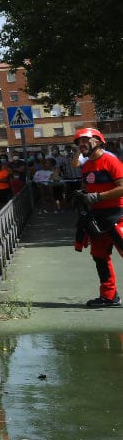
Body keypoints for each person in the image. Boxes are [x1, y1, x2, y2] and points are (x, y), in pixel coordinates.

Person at [72, 128, 123, 308]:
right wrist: (83, 194)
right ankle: (109, 297)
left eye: (86, 140)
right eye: (79, 142)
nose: (82, 144)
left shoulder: (111, 160)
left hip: (118, 214)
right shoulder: (86, 165)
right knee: (100, 256)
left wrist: (99, 196)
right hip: (97, 218)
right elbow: (88, 187)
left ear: (98, 141)